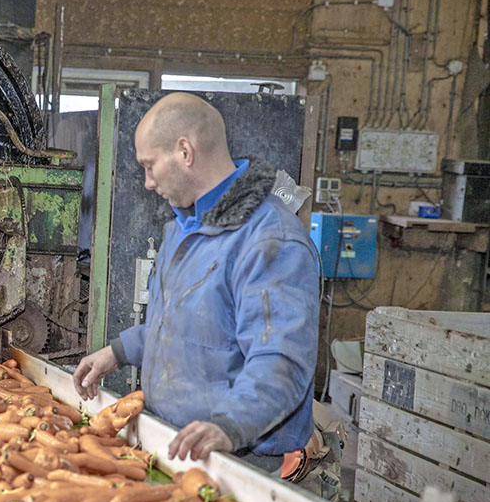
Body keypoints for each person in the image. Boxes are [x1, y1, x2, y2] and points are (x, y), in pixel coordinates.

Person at [73, 92, 319, 472]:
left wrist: (229, 426)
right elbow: (185, 326)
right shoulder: (182, 229)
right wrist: (116, 353)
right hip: (172, 441)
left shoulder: (269, 240)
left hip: (237, 458)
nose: (147, 182)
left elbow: (281, 361)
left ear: (185, 152)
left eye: (150, 166)